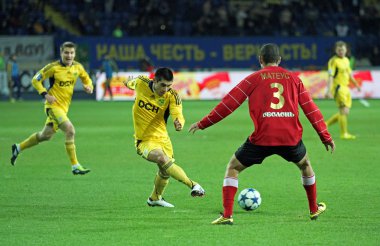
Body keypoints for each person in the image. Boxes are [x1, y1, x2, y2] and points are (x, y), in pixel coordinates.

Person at [188, 43, 335, 225]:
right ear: (279, 60)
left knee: (233, 168)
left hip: (262, 138)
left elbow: (229, 104)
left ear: (260, 60)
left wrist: (203, 123)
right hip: (290, 138)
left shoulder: (253, 79)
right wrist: (325, 136)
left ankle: (227, 215)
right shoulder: (294, 79)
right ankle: (313, 210)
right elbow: (311, 109)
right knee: (305, 165)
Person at [123, 67, 205, 207]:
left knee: (165, 170)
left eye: (169, 86)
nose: (165, 89)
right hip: (144, 140)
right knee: (162, 158)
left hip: (163, 139)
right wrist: (127, 82)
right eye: (163, 85)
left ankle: (155, 198)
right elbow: (131, 83)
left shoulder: (172, 96)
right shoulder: (142, 83)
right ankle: (193, 185)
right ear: (154, 81)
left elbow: (177, 113)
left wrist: (178, 122)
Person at [10, 41, 93, 175]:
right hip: (53, 106)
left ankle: (18, 148)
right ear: (61, 52)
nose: (69, 55)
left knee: (45, 136)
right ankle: (75, 166)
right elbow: (35, 80)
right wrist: (45, 95)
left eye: (72, 53)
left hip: (64, 108)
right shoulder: (53, 67)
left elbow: (87, 79)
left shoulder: (78, 67)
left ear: (75, 54)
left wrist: (89, 87)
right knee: (70, 130)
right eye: (66, 52)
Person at [325, 41, 361, 140]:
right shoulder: (333, 61)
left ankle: (325, 124)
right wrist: (328, 90)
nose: (341, 51)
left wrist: (356, 85)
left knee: (345, 112)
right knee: (343, 111)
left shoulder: (346, 60)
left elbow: (349, 75)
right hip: (338, 88)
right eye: (339, 50)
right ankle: (344, 134)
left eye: (343, 49)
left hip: (346, 88)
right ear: (336, 50)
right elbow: (330, 76)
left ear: (346, 50)